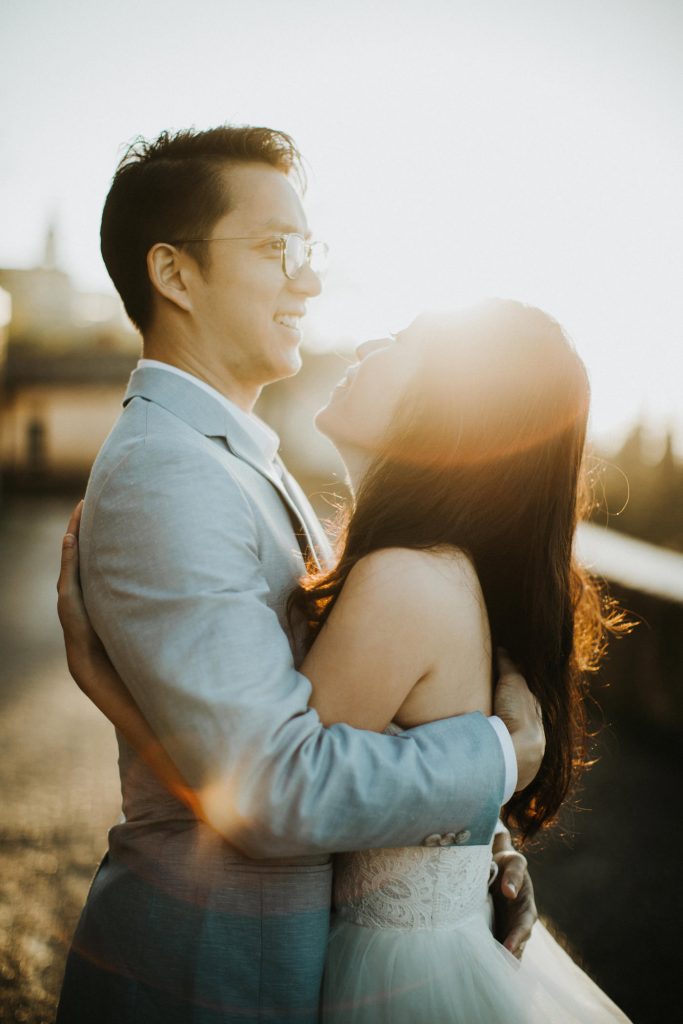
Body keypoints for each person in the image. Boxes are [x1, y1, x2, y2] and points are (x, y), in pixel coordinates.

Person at [54, 126, 543, 1024]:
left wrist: (464, 847)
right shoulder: (168, 472)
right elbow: (275, 789)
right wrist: (496, 757)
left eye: (308, 251)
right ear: (174, 274)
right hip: (206, 975)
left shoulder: (241, 457)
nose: (309, 281)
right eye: (278, 250)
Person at [58, 299, 632, 1021]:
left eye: (402, 344)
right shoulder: (430, 569)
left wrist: (108, 685)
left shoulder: (401, 580)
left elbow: (272, 799)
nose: (368, 343)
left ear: (448, 414)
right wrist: (478, 842)